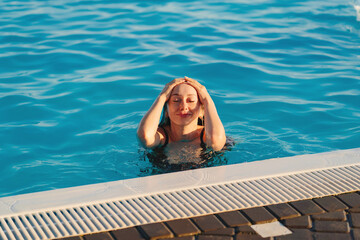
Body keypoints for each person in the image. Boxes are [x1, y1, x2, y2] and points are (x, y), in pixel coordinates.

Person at [137, 76, 226, 156]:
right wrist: (162, 97)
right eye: (176, 100)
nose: (183, 107)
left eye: (190, 100)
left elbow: (216, 144)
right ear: (166, 111)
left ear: (201, 112)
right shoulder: (161, 136)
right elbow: (145, 136)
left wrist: (207, 100)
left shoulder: (207, 136)